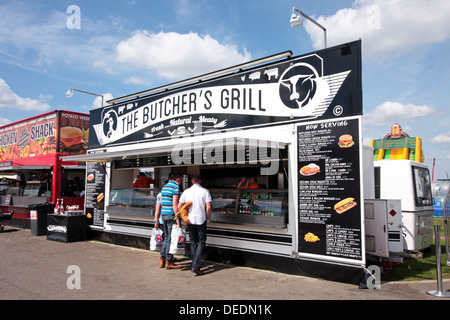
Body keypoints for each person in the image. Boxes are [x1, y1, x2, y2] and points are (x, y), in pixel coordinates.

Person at [178, 175, 212, 275]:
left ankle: (194, 263)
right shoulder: (205, 191)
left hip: (190, 220)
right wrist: (207, 218)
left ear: (192, 181)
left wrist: (184, 216)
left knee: (193, 242)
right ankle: (196, 266)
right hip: (201, 220)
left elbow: (180, 206)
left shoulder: (186, 191)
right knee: (201, 242)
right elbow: (208, 207)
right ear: (200, 181)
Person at [157, 172, 182, 269]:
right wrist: (177, 218)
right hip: (171, 215)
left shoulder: (164, 187)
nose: (180, 181)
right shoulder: (175, 187)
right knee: (171, 239)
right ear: (178, 178)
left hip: (164, 215)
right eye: (180, 179)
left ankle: (162, 259)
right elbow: (175, 204)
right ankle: (169, 262)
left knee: (167, 238)